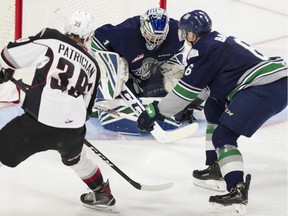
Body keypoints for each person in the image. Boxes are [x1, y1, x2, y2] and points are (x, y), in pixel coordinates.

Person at [136, 9, 287, 214]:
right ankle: (215, 168)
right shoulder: (217, 41)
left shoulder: (202, 50)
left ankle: (237, 190)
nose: (184, 37)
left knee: (223, 136)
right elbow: (208, 88)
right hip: (274, 81)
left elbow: (183, 93)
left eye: (185, 32)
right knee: (213, 106)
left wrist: (156, 111)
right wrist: (187, 104)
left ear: (192, 33)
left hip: (264, 89)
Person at [0, 10, 116, 212]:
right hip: (72, 130)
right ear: (88, 36)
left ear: (67, 27)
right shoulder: (94, 65)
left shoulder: (52, 38)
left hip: (37, 123)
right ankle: (102, 192)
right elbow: (87, 110)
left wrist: (4, 70)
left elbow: (8, 55)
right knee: (77, 159)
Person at [90, 7, 189, 135]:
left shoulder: (177, 31)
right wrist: (111, 64)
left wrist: (172, 66)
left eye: (159, 38)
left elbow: (179, 50)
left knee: (175, 79)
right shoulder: (126, 31)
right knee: (113, 85)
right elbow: (97, 39)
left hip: (150, 77)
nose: (154, 42)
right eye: (151, 36)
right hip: (130, 76)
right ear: (142, 27)